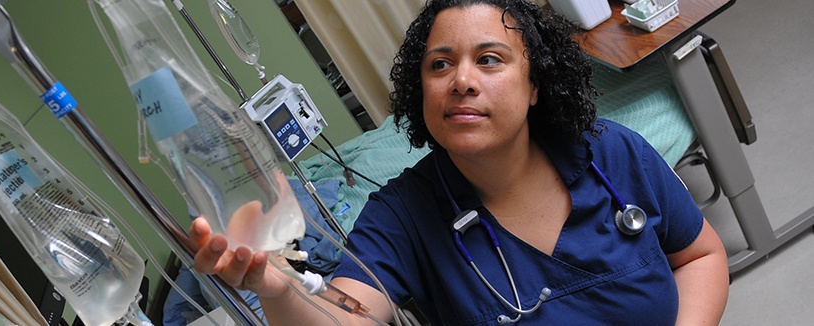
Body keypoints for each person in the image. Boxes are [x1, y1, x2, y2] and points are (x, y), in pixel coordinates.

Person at [190, 0, 730, 324]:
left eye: (490, 60)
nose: (462, 80)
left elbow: (700, 256)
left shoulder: (612, 154)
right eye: (440, 64)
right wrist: (279, 287)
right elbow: (345, 315)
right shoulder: (404, 215)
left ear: (535, 83)